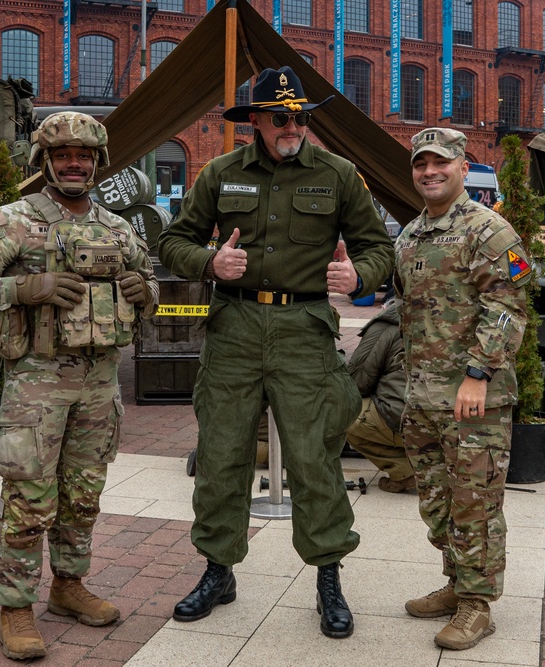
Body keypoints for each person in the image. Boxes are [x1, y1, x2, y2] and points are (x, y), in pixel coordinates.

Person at [157, 66, 394, 639]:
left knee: (315, 458)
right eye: (280, 117)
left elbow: (379, 249)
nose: (292, 126)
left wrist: (355, 273)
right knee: (221, 453)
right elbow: (171, 241)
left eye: (300, 117)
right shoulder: (220, 172)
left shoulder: (339, 175)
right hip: (234, 325)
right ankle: (219, 570)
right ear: (256, 121)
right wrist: (209, 264)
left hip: (303, 327)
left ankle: (328, 578)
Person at [0, 112, 159, 660]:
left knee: (82, 497)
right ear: (44, 161)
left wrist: (143, 288)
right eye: (63, 155)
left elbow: (150, 280)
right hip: (36, 385)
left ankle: (67, 586)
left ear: (99, 163)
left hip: (99, 384)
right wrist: (22, 288)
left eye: (84, 156)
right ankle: (15, 606)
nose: (74, 164)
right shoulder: (10, 221)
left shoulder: (117, 226)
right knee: (28, 498)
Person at [394, 127, 529, 650]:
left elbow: (508, 306)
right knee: (438, 500)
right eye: (420, 164)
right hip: (423, 394)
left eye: (440, 163)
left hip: (474, 397)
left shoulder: (489, 230)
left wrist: (478, 374)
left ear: (461, 166)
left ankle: (478, 605)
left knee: (475, 502)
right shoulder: (411, 234)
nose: (429, 172)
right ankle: (456, 583)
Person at [345, 299, 413, 493]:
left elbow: (357, 384)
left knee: (342, 413)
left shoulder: (387, 323)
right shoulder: (454, 316)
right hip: (456, 423)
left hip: (407, 420)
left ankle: (405, 472)